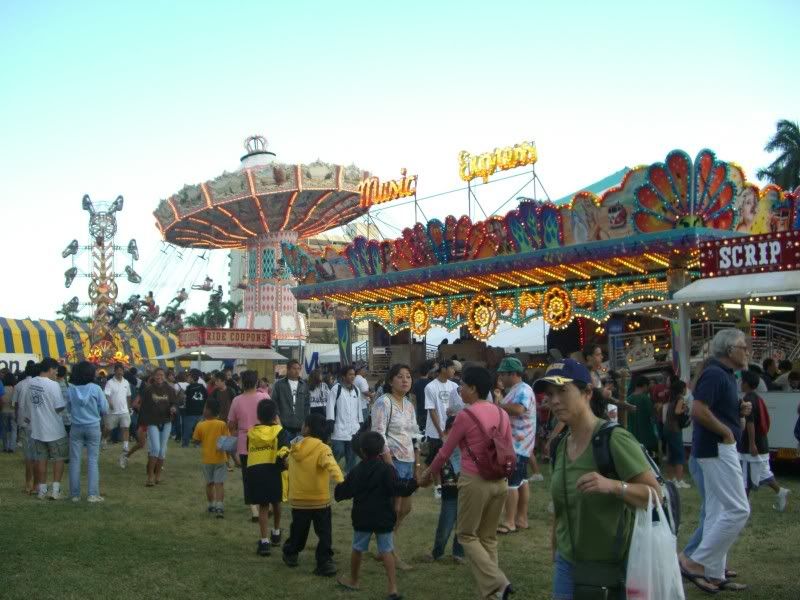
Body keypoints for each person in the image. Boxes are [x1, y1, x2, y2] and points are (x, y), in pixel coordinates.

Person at [534, 359, 659, 600]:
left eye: (563, 390)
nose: (555, 400)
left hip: (610, 566)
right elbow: (561, 505)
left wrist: (614, 486)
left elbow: (655, 495)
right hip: (567, 563)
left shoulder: (614, 439)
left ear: (587, 392)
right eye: (550, 394)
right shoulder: (560, 445)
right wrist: (556, 547)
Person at [420, 365, 515, 600]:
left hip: (475, 481)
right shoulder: (501, 413)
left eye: (462, 386)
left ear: (473, 389)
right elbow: (509, 449)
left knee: (466, 535)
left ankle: (498, 582)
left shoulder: (465, 415)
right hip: (500, 480)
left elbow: (444, 453)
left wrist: (427, 474)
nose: (459, 389)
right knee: (488, 538)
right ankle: (493, 594)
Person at [680, 329, 752, 593]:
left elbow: (711, 408)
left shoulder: (723, 375)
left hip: (714, 449)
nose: (747, 351)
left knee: (718, 510)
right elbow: (699, 410)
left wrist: (738, 410)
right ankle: (694, 561)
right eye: (743, 347)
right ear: (730, 350)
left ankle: (714, 572)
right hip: (718, 449)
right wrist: (726, 433)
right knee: (738, 509)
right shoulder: (714, 374)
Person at [334, 431, 418, 600]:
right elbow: (399, 487)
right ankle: (392, 588)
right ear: (381, 450)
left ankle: (354, 580)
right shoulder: (388, 470)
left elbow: (342, 492)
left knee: (357, 549)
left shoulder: (357, 470)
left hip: (362, 517)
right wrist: (416, 483)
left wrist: (339, 488)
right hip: (384, 517)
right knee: (387, 551)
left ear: (362, 451)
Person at [371, 364, 420, 571]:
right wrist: (388, 461)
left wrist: (417, 462)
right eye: (400, 377)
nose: (405, 380)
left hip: (408, 460)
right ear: (391, 381)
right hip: (392, 460)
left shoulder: (409, 405)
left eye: (408, 376)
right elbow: (378, 433)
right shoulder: (383, 402)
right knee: (395, 508)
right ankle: (389, 552)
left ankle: (385, 545)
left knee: (405, 508)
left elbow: (415, 433)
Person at [282, 412, 344, 576]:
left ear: (307, 428)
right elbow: (332, 466)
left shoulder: (295, 445)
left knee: (298, 530)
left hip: (298, 499)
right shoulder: (323, 448)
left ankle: (291, 553)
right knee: (324, 533)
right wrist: (341, 481)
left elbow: (288, 460)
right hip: (319, 499)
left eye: (303, 424)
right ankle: (324, 562)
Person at [738, 369, 790, 511]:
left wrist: (752, 443)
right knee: (759, 472)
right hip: (761, 442)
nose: (740, 384)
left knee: (748, 474)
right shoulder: (758, 398)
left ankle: (745, 504)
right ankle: (779, 492)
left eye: (742, 381)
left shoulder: (748, 399)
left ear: (746, 384)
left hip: (752, 444)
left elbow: (750, 423)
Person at [495, 357, 536, 534]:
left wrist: (498, 405)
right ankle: (521, 519)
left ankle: (510, 521)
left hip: (517, 444)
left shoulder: (523, 390)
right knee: (522, 481)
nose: (500, 377)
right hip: (521, 444)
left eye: (503, 374)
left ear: (513, 374)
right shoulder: (517, 389)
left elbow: (519, 409)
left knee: (511, 484)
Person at [247, 398, 290, 555]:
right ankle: (276, 532)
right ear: (275, 415)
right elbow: (285, 449)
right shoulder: (279, 431)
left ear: (258, 416)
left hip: (256, 471)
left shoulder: (252, 432)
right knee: (276, 503)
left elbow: (248, 449)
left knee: (263, 507)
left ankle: (264, 541)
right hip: (274, 471)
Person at [228, 370, 270, 522]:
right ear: (257, 381)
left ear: (241, 382)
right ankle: (266, 505)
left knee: (248, 476)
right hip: (264, 441)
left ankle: (254, 510)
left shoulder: (237, 400)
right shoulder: (264, 397)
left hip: (244, 442)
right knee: (265, 475)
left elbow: (231, 424)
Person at [66, 361, 108, 502]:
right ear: (90, 373)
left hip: (76, 427)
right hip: (93, 426)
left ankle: (74, 494)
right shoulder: (96, 389)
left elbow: (68, 408)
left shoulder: (71, 389)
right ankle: (92, 494)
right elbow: (104, 409)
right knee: (92, 460)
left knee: (75, 460)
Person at [27, 358, 69, 500]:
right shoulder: (53, 385)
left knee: (41, 460)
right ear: (50, 369)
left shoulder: (31, 383)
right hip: (54, 429)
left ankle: (42, 490)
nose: (57, 373)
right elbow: (59, 407)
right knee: (59, 458)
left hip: (37, 429)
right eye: (56, 370)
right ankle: (55, 490)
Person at [425, 415, 465, 564]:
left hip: (465, 492)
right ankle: (437, 551)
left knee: (462, 526)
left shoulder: (465, 446)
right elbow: (432, 467)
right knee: (445, 525)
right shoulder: (440, 446)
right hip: (449, 493)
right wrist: (437, 485)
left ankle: (458, 553)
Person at [425, 359, 459, 498]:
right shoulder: (430, 387)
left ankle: (452, 483)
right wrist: (440, 432)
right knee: (436, 458)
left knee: (453, 458)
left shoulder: (455, 386)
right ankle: (437, 486)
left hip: (453, 429)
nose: (454, 371)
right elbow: (432, 410)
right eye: (452, 368)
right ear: (444, 368)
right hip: (435, 430)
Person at [138, 367, 178, 487]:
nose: (159, 377)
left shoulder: (170, 389)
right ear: (153, 376)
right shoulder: (148, 390)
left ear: (164, 376)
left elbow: (174, 403)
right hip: (153, 422)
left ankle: (158, 476)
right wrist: (142, 425)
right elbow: (143, 408)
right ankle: (150, 476)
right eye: (157, 375)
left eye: (161, 375)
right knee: (155, 448)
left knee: (162, 450)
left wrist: (173, 408)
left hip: (166, 422)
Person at [192, 397, 230, 518]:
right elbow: (227, 440)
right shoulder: (222, 424)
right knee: (219, 484)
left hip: (207, 460)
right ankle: (220, 505)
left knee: (209, 483)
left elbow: (196, 441)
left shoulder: (200, 425)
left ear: (207, 410)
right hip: (220, 459)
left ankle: (211, 504)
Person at [326, 365, 363, 474]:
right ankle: (327, 466)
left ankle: (349, 477)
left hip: (353, 429)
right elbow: (330, 406)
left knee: (352, 456)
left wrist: (360, 424)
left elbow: (359, 408)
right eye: (350, 374)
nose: (353, 377)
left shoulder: (356, 390)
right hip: (339, 428)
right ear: (343, 376)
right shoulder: (336, 389)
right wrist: (330, 422)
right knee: (338, 450)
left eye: (354, 374)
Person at [662, 379, 691, 488]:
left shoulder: (672, 399)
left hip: (667, 429)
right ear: (682, 389)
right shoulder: (680, 399)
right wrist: (685, 409)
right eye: (685, 388)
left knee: (671, 455)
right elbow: (677, 412)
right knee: (679, 455)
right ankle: (679, 480)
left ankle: (670, 479)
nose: (686, 390)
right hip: (674, 429)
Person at [273, 359, 310, 439]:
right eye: (294, 368)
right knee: (285, 450)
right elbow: (274, 404)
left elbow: (307, 406)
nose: (297, 371)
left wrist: (306, 423)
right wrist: (278, 422)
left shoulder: (304, 385)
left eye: (298, 369)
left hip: (300, 428)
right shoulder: (279, 385)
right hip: (284, 426)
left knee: (299, 451)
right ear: (288, 369)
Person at [104, 363, 132, 468]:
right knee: (108, 429)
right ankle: (104, 439)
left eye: (121, 370)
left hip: (124, 410)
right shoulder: (109, 383)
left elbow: (128, 396)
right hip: (112, 411)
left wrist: (129, 407)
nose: (120, 372)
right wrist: (109, 402)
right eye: (118, 370)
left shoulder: (126, 382)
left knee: (126, 427)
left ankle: (125, 445)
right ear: (114, 371)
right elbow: (106, 394)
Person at [624, 375, 659, 456]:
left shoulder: (628, 399)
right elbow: (653, 415)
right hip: (647, 438)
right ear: (645, 386)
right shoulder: (645, 398)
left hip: (633, 438)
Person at [182, 370, 208, 447]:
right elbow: (206, 397)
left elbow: (185, 398)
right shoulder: (202, 387)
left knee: (187, 429)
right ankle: (198, 444)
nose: (187, 379)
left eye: (189, 377)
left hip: (190, 412)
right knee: (199, 430)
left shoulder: (189, 387)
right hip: (200, 411)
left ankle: (185, 444)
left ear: (192, 378)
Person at [412, 359, 437, 431]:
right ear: (429, 372)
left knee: (422, 432)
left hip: (420, 412)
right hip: (430, 412)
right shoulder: (432, 383)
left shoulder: (415, 384)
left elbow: (413, 400)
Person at [1, 372, 16, 452]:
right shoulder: (15, 389)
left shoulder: (2, 388)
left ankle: (5, 447)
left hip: (4, 410)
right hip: (13, 410)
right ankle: (12, 447)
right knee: (14, 429)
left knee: (4, 429)